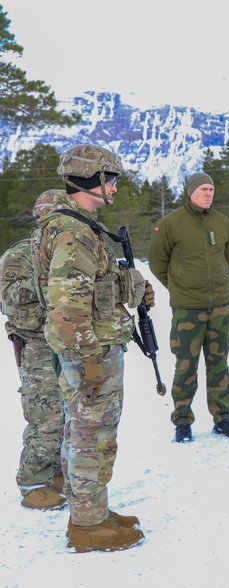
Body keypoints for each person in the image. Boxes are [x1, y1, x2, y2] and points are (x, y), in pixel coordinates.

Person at [34, 144, 148, 552]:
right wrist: (89, 362)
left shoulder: (80, 226)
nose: (114, 189)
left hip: (94, 348)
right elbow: (67, 308)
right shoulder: (73, 231)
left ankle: (93, 511)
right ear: (92, 179)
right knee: (90, 435)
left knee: (88, 432)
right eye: (110, 180)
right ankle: (86, 526)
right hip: (90, 352)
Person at [148, 172, 229, 443]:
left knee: (218, 364)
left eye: (212, 189)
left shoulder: (222, 223)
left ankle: (223, 419)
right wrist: (179, 286)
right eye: (203, 189)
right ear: (190, 191)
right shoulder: (170, 224)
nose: (209, 193)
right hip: (188, 309)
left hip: (221, 308)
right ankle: (182, 420)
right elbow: (157, 262)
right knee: (186, 365)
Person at [1, 192, 64, 511]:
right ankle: (32, 483)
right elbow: (8, 297)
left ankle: (56, 474)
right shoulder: (20, 254)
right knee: (45, 413)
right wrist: (49, 286)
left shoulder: (69, 252)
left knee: (66, 411)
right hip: (36, 342)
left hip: (65, 340)